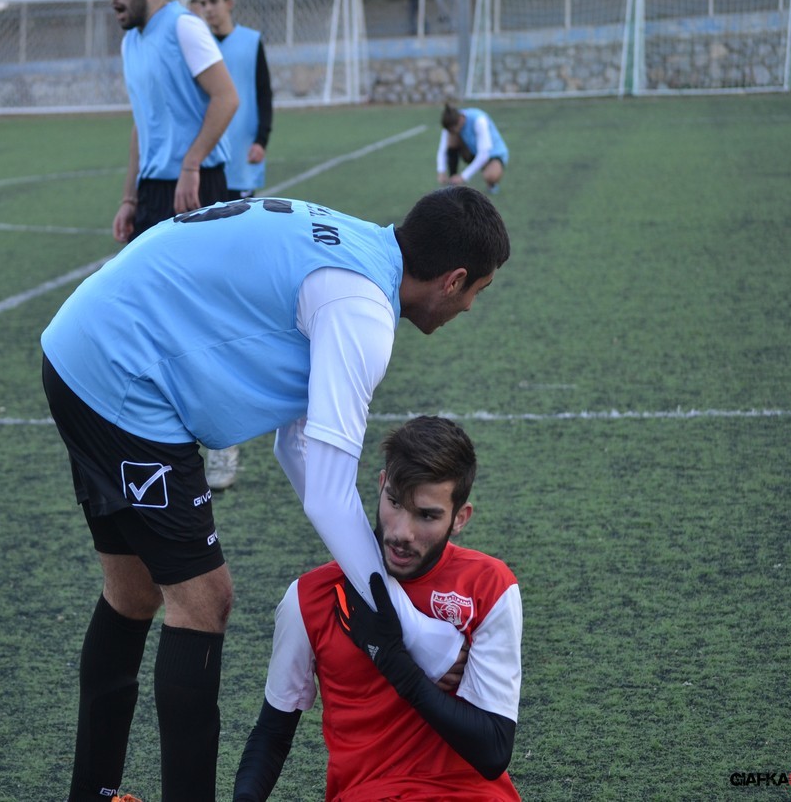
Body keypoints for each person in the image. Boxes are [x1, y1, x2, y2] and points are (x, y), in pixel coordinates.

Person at [40, 187, 510, 801]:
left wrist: (377, 591)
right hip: (119, 372)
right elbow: (328, 496)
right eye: (478, 291)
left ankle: (91, 794)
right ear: (453, 280)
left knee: (133, 592)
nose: (469, 307)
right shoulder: (362, 311)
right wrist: (409, 627)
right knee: (204, 600)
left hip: (82, 346)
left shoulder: (362, 249)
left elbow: (297, 449)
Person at [233, 416, 522, 801]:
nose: (402, 532)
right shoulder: (308, 598)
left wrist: (393, 662)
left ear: (460, 518)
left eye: (427, 515)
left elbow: (493, 750)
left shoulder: (489, 586)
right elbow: (272, 733)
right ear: (381, 484)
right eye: (395, 503)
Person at [196, 0, 276, 491]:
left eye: (213, 2)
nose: (207, 10)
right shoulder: (197, 45)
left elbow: (262, 93)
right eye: (201, 3)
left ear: (228, 2)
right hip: (209, 162)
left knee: (231, 275)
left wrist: (262, 136)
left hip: (242, 162)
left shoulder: (249, 42)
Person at [107, 0, 239, 245]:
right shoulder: (130, 43)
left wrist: (191, 164)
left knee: (203, 277)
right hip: (151, 192)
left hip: (196, 186)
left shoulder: (184, 27)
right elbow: (143, 122)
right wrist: (129, 198)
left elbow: (227, 98)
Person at [437, 103, 509, 194]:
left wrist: (463, 177)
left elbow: (484, 155)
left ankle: (492, 184)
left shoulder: (479, 120)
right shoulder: (451, 124)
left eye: (453, 129)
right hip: (472, 152)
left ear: (460, 120)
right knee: (452, 137)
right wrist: (441, 171)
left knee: (490, 176)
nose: (451, 132)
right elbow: (443, 149)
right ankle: (452, 181)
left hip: (493, 154)